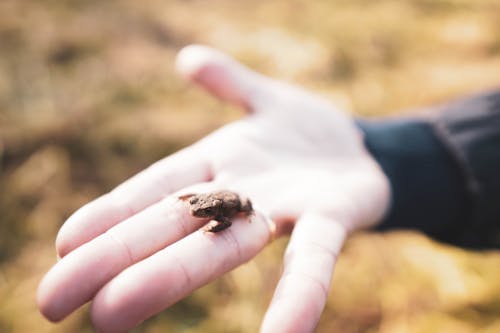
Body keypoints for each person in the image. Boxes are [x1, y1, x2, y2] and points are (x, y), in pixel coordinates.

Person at [36, 45, 500, 333]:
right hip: (237, 195)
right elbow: (206, 204)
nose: (199, 211)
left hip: (242, 202)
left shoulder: (226, 210)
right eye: (199, 208)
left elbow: (225, 209)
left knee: (231, 207)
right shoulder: (203, 204)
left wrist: (223, 223)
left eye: (200, 210)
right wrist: (417, 159)